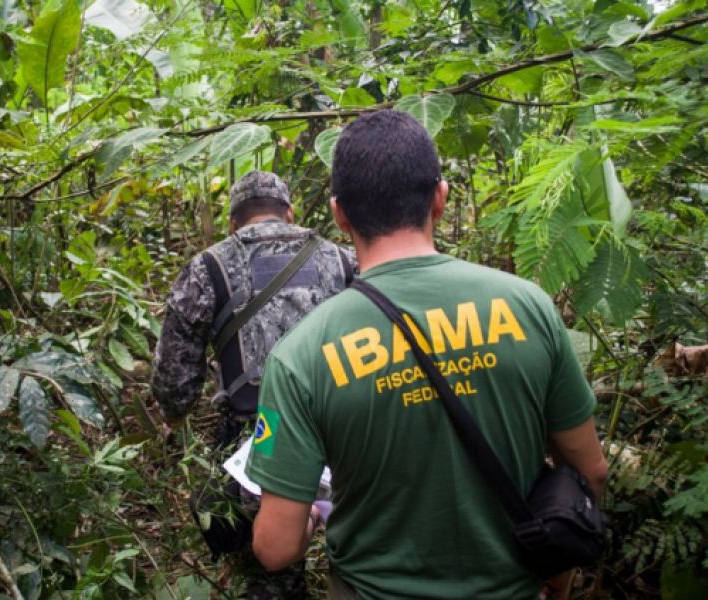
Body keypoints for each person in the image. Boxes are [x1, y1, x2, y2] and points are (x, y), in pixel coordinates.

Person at [245, 110, 608, 599]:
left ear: (339, 214)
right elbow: (591, 471)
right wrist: (557, 575)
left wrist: (309, 513)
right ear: (440, 198)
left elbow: (275, 548)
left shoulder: (300, 356)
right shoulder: (529, 307)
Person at [151, 170, 356, 599]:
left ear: (232, 223)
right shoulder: (342, 260)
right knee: (359, 554)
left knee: (265, 566)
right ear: (289, 213)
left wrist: (174, 415)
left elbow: (174, 386)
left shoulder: (207, 268)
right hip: (343, 432)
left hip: (258, 440)